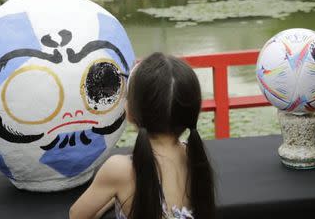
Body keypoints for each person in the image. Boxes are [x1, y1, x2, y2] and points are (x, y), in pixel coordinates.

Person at [70, 52, 216, 219]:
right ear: (193, 112)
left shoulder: (119, 169)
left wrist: (111, 195)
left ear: (131, 111)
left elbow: (76, 215)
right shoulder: (195, 156)